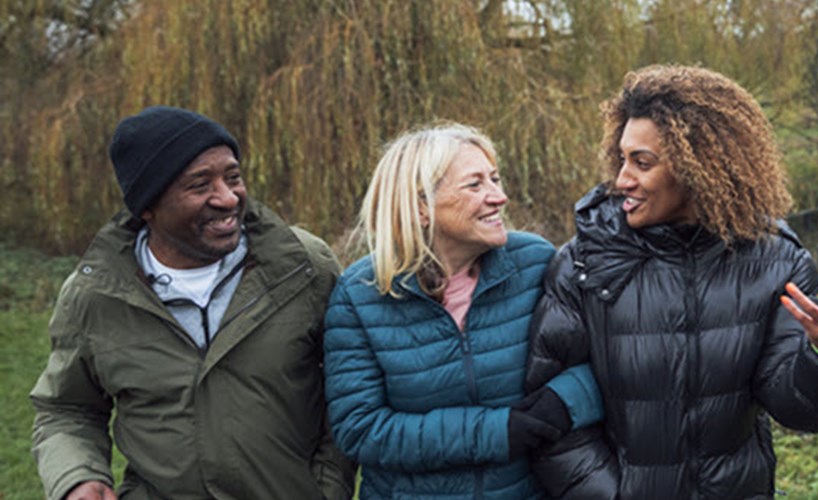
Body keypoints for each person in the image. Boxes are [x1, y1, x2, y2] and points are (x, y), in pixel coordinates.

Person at [526, 65, 818, 498]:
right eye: (621, 159)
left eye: (642, 162)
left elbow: (802, 412)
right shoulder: (584, 263)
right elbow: (550, 417)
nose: (621, 180)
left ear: (701, 167)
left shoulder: (777, 261)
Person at [30, 106, 356, 499]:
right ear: (148, 206)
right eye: (200, 185)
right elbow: (67, 408)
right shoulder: (96, 294)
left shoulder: (304, 267)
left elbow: (350, 384)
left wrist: (327, 485)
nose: (228, 198)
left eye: (233, 177)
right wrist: (78, 476)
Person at [322, 122, 603, 499]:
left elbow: (603, 360)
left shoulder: (536, 263)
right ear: (420, 207)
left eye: (495, 179)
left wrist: (563, 403)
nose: (499, 196)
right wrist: (494, 432)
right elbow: (361, 428)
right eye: (475, 185)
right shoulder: (361, 294)